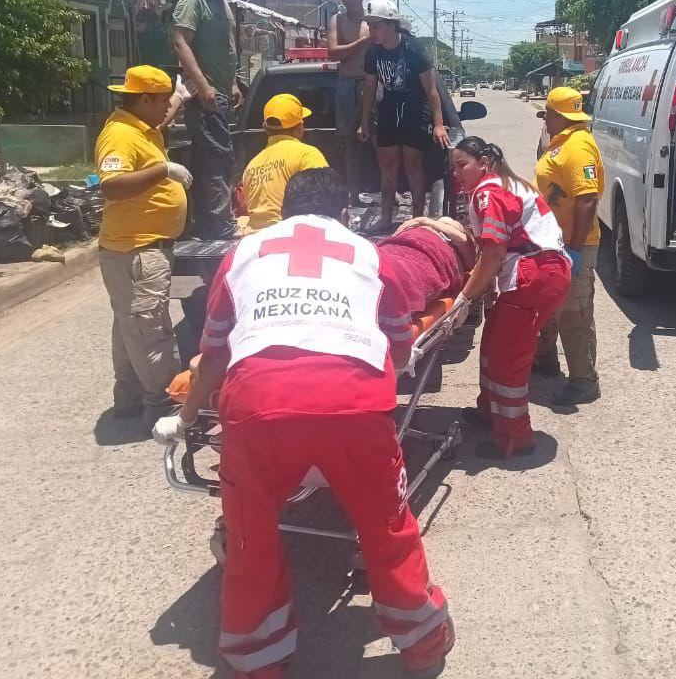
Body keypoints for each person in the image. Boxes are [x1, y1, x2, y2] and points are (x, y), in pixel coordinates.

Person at [153, 169, 454, 678]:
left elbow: (213, 357)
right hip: (352, 405)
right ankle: (423, 643)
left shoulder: (241, 255)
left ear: (283, 209)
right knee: (387, 529)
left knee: (250, 539)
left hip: (258, 406)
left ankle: (259, 661)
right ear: (345, 214)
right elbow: (400, 345)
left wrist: (183, 419)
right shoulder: (368, 254)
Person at [451, 137, 571, 459]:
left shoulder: (489, 192)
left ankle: (514, 438)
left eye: (462, 165)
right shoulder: (506, 184)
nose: (457, 173)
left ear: (484, 163)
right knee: (493, 343)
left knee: (507, 358)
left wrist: (463, 300)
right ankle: (491, 410)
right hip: (540, 272)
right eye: (454, 166)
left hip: (534, 275)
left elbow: (492, 254)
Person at [95, 65, 193, 427]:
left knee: (131, 326)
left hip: (141, 246)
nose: (166, 107)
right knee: (149, 328)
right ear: (145, 99)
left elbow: (161, 121)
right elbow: (112, 184)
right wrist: (164, 171)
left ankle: (131, 396)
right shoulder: (119, 135)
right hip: (135, 249)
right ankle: (164, 405)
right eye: (163, 100)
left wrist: (180, 100)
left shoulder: (142, 128)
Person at [533, 87, 604, 405]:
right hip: (554, 242)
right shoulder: (561, 142)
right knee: (548, 307)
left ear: (558, 116)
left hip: (575, 245)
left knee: (574, 315)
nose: (544, 119)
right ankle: (545, 361)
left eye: (546, 114)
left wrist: (574, 248)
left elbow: (587, 200)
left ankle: (584, 382)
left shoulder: (579, 147)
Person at [358, 0, 451, 229]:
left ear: (391, 25)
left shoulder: (413, 49)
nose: (372, 31)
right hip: (389, 108)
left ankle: (417, 219)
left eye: (376, 25)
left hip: (415, 109)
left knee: (413, 167)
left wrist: (438, 124)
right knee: (387, 170)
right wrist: (364, 122)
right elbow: (369, 89)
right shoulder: (372, 52)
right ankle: (386, 219)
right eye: (370, 26)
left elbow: (431, 90)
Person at [173, 0, 240, 239]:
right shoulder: (194, 0)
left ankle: (210, 222)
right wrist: (202, 86)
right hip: (206, 97)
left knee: (217, 158)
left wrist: (234, 82)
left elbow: (226, 46)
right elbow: (180, 42)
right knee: (216, 158)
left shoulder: (222, 1)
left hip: (222, 93)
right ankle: (218, 225)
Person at [241, 93, 328, 231]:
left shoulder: (251, 165)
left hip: (256, 241)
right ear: (300, 127)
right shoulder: (307, 154)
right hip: (291, 238)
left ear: (266, 128)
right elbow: (325, 199)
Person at [325, 0, 372, 204]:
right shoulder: (337, 20)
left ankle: (388, 192)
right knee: (350, 143)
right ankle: (353, 194)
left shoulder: (373, 20)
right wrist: (363, 42)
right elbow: (333, 52)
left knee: (379, 139)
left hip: (371, 83)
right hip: (346, 84)